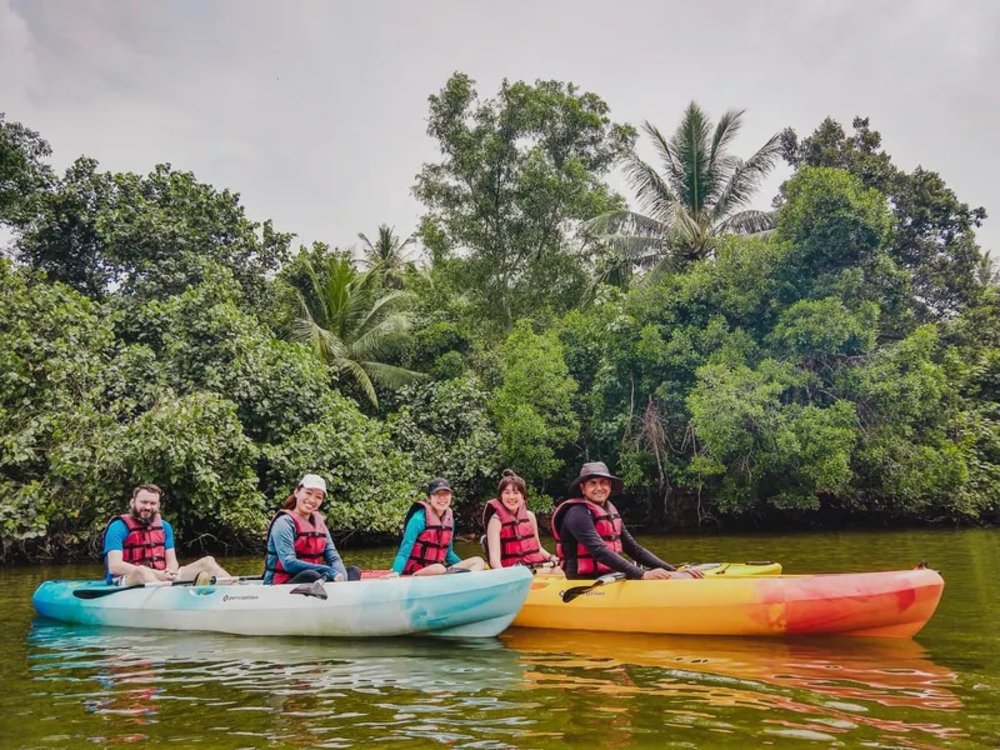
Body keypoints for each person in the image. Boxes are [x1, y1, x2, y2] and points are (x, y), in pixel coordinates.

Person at [552, 462, 704, 581]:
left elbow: (634, 549)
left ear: (609, 486)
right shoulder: (577, 513)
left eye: (603, 482)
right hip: (583, 582)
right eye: (592, 483)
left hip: (610, 575)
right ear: (582, 488)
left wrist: (672, 570)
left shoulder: (608, 509)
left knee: (678, 576)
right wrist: (642, 574)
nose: (599, 488)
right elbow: (599, 550)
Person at [103, 484, 230, 586]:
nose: (148, 507)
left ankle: (235, 591)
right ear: (133, 503)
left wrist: (170, 572)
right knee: (142, 571)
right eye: (144, 502)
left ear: (158, 506)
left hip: (163, 577)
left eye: (152, 503)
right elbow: (115, 566)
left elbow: (172, 562)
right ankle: (173, 594)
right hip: (128, 579)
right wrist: (157, 574)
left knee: (208, 562)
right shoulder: (118, 527)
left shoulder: (164, 526)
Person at [263, 473, 361, 584]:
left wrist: (342, 580)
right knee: (311, 575)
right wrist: (329, 571)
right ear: (297, 492)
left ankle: (343, 593)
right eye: (308, 493)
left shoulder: (319, 523)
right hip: (281, 583)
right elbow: (288, 563)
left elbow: (333, 558)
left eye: (318, 497)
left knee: (353, 571)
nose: (312, 500)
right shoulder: (283, 522)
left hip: (313, 579)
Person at [391, 477, 487, 576]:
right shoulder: (418, 519)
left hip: (438, 572)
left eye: (446, 494)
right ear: (429, 498)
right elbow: (404, 552)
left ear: (451, 496)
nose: (442, 498)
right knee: (439, 568)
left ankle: (467, 578)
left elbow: (448, 555)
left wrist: (464, 567)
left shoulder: (449, 521)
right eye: (437, 494)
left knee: (478, 561)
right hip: (415, 573)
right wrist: (396, 572)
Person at [482, 469, 558, 569]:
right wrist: (505, 576)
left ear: (522, 496)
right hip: (512, 571)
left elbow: (538, 548)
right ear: (500, 496)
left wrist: (551, 557)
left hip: (537, 567)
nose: (511, 497)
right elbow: (494, 560)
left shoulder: (530, 516)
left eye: (516, 492)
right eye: (507, 493)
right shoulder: (495, 522)